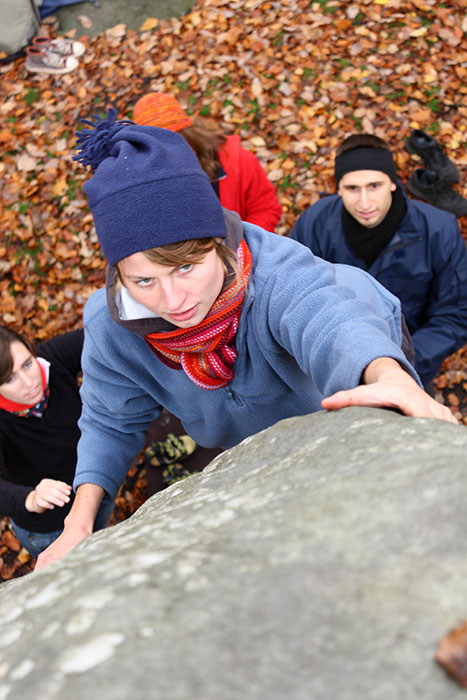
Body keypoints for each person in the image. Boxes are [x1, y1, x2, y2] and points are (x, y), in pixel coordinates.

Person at [35, 112, 456, 570]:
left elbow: (327, 319)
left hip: (368, 344)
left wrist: (389, 375)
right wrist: (80, 521)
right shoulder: (110, 323)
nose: (172, 300)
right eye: (143, 280)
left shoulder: (275, 271)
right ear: (119, 273)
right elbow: (110, 420)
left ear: (217, 243)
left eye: (185, 268)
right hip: (252, 445)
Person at [290, 133, 467, 392]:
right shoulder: (315, 223)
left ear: (393, 183)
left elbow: (456, 312)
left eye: (374, 186)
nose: (364, 202)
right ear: (338, 188)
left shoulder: (438, 230)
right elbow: (297, 295)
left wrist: (401, 365)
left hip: (410, 370)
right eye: (352, 189)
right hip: (334, 369)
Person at [0, 326, 113, 558]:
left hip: (93, 488)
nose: (29, 382)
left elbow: (105, 331)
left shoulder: (52, 361)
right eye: (10, 379)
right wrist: (30, 498)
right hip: (50, 526)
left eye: (27, 364)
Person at [133, 92, 282, 232]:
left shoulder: (239, 162)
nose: (171, 154)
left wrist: (244, 245)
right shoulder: (145, 181)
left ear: (190, 136)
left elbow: (266, 210)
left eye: (175, 142)